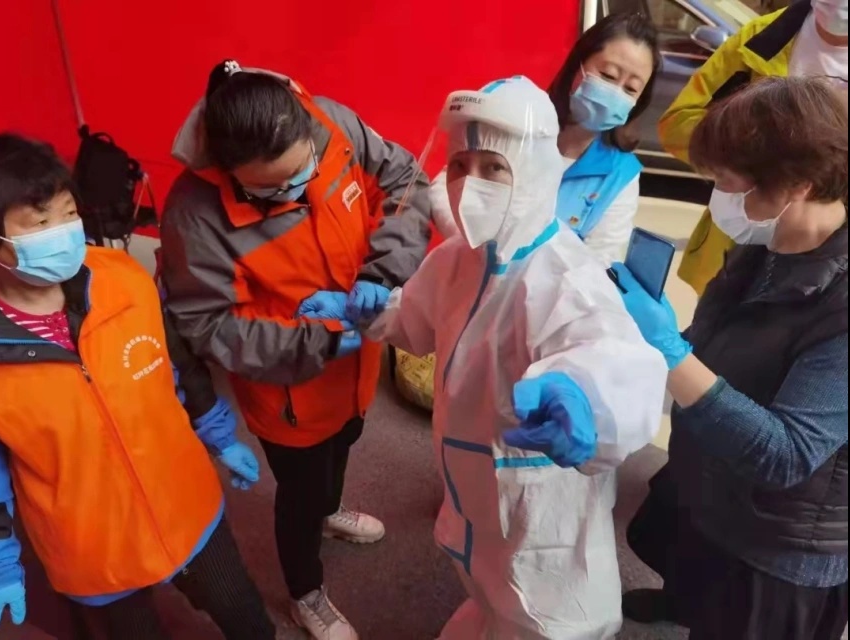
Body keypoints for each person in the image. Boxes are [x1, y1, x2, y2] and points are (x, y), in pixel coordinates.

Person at [361, 76, 667, 639]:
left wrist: (584, 398)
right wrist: (373, 310)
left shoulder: (565, 272)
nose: (471, 183)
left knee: (546, 613)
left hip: (537, 496)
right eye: (460, 165)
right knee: (484, 578)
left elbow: (611, 355)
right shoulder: (460, 258)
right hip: (470, 478)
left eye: (494, 167)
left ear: (534, 170)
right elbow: (418, 322)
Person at [160, 60, 431, 640]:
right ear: (228, 171)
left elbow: (407, 180)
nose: (299, 189)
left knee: (347, 442)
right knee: (300, 492)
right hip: (289, 390)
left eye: (303, 170)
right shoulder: (193, 213)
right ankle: (305, 591)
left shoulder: (331, 122)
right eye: (273, 188)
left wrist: (383, 271)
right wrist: (320, 340)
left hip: (356, 366)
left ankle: (330, 511)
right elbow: (208, 325)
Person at [0, 134, 276, 639]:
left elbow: (176, 361)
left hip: (184, 501)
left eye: (68, 213)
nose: (64, 233)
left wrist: (219, 434)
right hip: (91, 546)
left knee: (247, 619)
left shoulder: (122, 278)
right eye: (39, 223)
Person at [615, 77, 848, 640]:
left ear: (798, 184)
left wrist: (670, 351)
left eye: (726, 182)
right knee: (700, 593)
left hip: (781, 547)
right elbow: (716, 343)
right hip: (719, 488)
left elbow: (785, 455)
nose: (716, 196)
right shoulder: (767, 245)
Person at [429, 13, 660, 266]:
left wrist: (517, 267)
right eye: (608, 75)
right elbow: (446, 183)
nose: (615, 92)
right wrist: (472, 241)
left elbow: (599, 262)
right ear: (578, 65)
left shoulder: (621, 175)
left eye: (630, 89)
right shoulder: (522, 118)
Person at [662, 0, 849, 295]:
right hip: (741, 240)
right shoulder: (762, 38)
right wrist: (754, 151)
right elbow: (678, 123)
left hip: (828, 260)